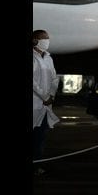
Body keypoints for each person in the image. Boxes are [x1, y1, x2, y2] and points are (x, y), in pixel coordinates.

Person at [32, 30, 60, 176]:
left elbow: (54, 78)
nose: (47, 41)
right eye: (44, 38)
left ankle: (36, 165)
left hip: (45, 104)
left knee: (40, 136)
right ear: (35, 41)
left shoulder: (49, 58)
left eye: (48, 38)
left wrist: (51, 95)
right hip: (35, 103)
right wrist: (44, 95)